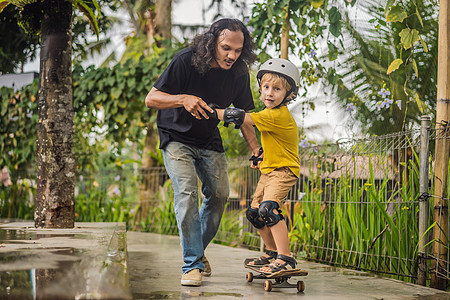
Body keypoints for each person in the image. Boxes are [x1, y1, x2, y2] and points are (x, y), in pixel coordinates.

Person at [145, 18, 259, 286]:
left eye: (238, 50)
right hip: (176, 137)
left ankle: (196, 251)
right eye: (225, 48)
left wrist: (255, 148)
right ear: (212, 42)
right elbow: (152, 98)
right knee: (186, 192)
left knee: (219, 195)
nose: (231, 55)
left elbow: (245, 117)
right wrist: (182, 99)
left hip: (209, 138)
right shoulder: (186, 60)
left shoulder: (239, 73)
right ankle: (192, 265)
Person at [209, 57, 300, 274]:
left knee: (269, 209)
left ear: (289, 95)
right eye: (265, 87)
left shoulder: (277, 115)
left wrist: (214, 112)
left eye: (277, 89)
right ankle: (271, 252)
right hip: (270, 170)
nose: (269, 93)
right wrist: (261, 156)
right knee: (254, 214)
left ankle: (285, 257)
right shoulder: (270, 115)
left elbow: (240, 117)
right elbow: (277, 143)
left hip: (284, 171)